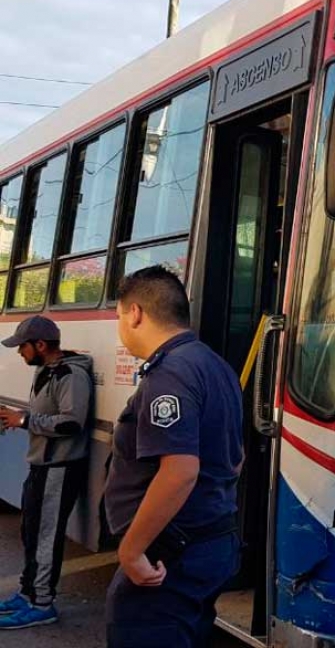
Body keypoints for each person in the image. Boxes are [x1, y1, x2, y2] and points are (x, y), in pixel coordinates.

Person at [104, 266, 243, 648]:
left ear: (135, 313)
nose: (120, 326)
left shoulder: (169, 374)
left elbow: (180, 471)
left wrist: (132, 551)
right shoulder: (216, 366)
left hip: (173, 553)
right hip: (213, 539)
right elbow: (236, 456)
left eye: (118, 316)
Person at [0, 316, 94, 630]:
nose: (19, 353)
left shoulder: (71, 375)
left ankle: (42, 603)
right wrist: (16, 420)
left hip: (59, 469)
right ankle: (28, 592)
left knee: (45, 537)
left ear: (40, 345)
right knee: (31, 531)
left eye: (22, 347)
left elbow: (71, 423)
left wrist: (25, 421)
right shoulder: (46, 370)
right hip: (40, 465)